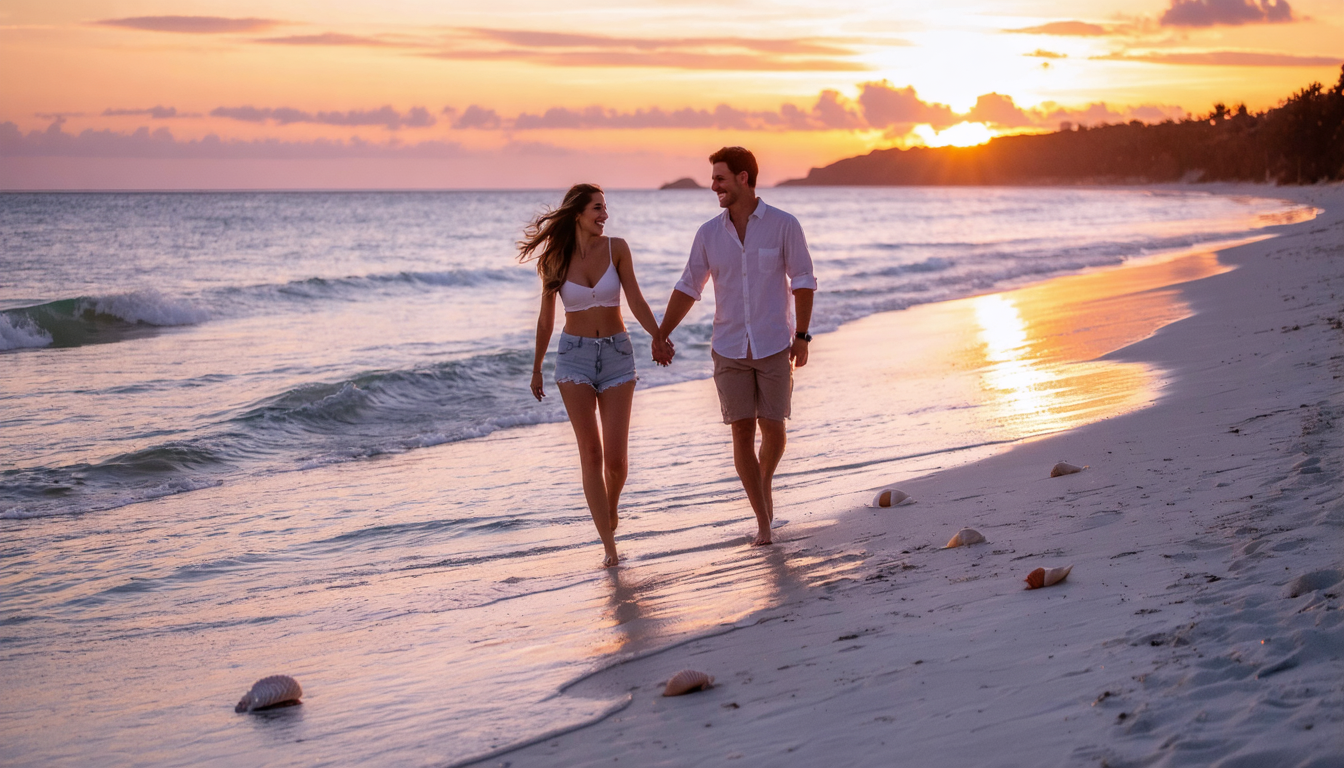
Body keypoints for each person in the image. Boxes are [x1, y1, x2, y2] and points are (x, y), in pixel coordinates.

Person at [656, 147, 816, 547]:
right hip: (728, 347)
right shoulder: (708, 233)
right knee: (742, 431)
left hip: (776, 342)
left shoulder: (783, 225)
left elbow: (803, 280)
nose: (714, 187)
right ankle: (763, 520)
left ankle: (762, 484)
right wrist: (662, 332)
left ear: (744, 178)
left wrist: (802, 336)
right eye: (713, 179)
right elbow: (688, 286)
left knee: (774, 430)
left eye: (720, 179)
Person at [521, 183, 672, 568]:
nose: (604, 215)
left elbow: (635, 298)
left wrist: (658, 336)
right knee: (591, 452)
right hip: (573, 358)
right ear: (577, 213)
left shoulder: (616, 248)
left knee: (617, 462)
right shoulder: (553, 260)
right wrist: (537, 366)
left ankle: (610, 508)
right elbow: (546, 319)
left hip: (618, 354)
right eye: (597, 209)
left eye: (605, 208)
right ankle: (610, 547)